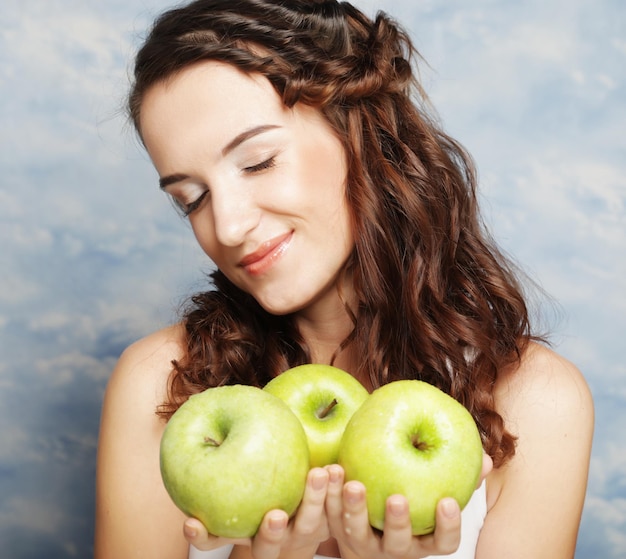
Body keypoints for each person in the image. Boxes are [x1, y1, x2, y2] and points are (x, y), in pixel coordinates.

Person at [94, 1, 594, 558]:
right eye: (193, 199)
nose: (229, 226)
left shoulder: (535, 402)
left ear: (362, 132)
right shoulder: (161, 387)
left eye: (258, 161)